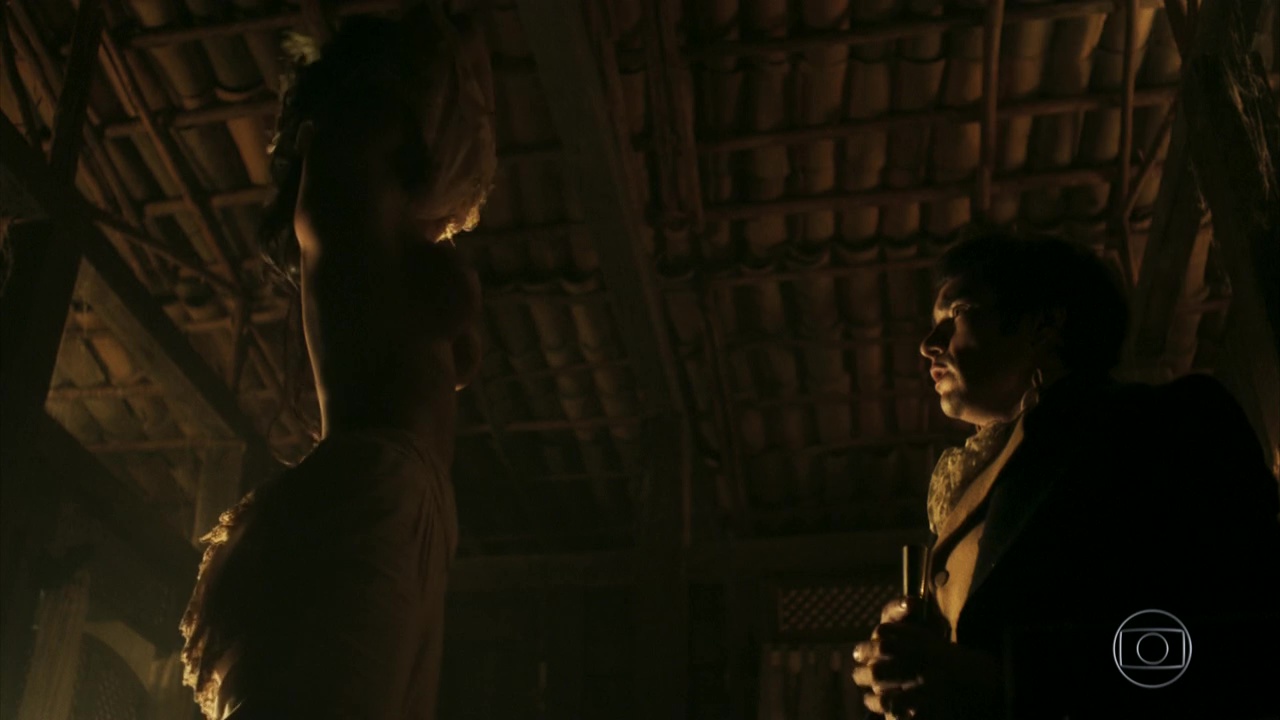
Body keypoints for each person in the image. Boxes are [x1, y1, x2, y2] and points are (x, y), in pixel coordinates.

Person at [178, 7, 495, 719]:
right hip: (374, 486)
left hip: (415, 506)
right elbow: (436, 74)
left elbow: (465, 91)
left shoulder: (408, 229)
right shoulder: (341, 203)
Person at [851, 230, 1280, 719]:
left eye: (959, 313)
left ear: (1045, 325)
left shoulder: (1163, 424)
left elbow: (1245, 634)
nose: (929, 345)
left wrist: (1009, 682)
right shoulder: (969, 486)